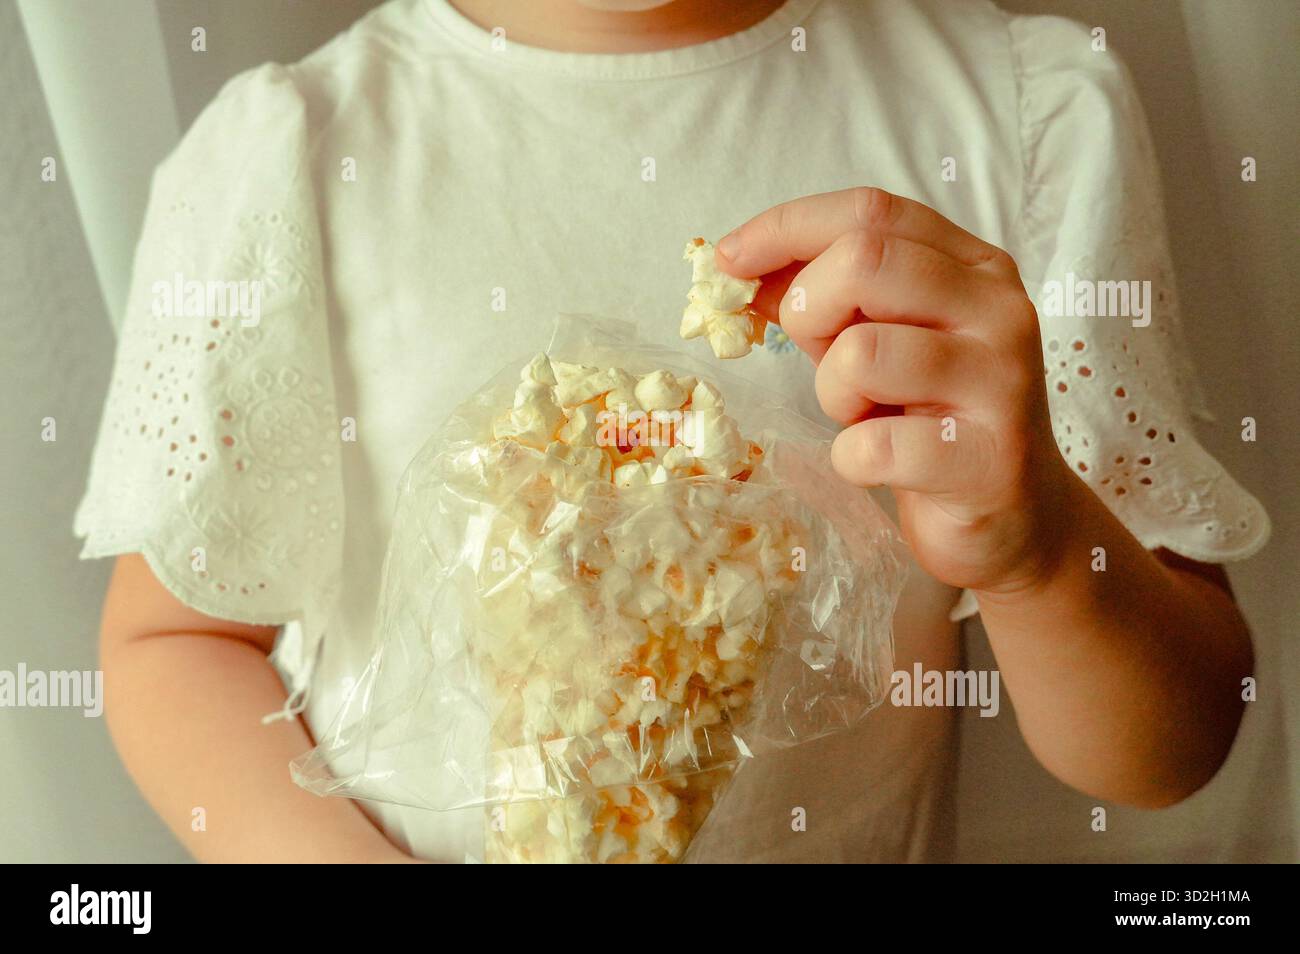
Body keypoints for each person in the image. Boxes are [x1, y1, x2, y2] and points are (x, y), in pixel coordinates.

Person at [79, 0, 1271, 862]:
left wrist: (1043, 552)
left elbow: (1170, 753)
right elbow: (175, 639)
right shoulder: (292, 156)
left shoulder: (1014, 113)